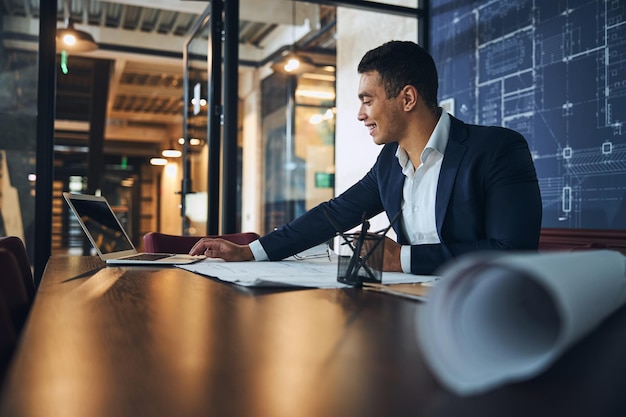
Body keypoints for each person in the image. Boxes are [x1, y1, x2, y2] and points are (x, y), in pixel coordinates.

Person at [189, 40, 542, 275]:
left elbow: (512, 251)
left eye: (367, 100)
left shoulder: (498, 149)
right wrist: (251, 251)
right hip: (405, 306)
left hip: (483, 309)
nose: (360, 114)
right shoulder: (390, 162)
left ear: (407, 99)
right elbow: (333, 213)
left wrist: (400, 258)